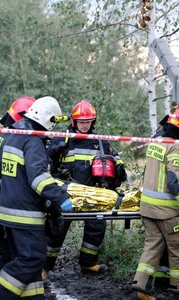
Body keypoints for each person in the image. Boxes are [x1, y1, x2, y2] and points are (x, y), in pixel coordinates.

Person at [0, 96, 73, 300]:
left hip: (9, 212)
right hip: (26, 215)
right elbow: (38, 179)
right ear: (49, 120)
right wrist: (60, 199)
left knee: (21, 261)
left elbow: (1, 176)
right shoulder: (33, 141)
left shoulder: (14, 134)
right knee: (32, 258)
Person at [43, 100, 127, 278]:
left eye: (88, 122)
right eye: (81, 122)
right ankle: (44, 268)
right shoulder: (62, 137)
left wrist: (119, 168)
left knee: (96, 226)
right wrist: (53, 151)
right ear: (74, 122)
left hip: (92, 194)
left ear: (93, 122)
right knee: (56, 230)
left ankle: (88, 264)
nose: (84, 125)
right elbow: (43, 162)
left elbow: (114, 157)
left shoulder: (99, 141)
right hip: (65, 194)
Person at [130, 103, 179, 300]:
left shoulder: (156, 143)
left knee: (152, 246)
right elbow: (174, 182)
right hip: (167, 212)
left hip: (147, 207)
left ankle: (141, 290)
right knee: (178, 249)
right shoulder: (175, 147)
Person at [0, 96, 35, 295]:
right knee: (8, 256)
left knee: (4, 256)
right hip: (2, 208)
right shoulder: (15, 138)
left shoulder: (5, 135)